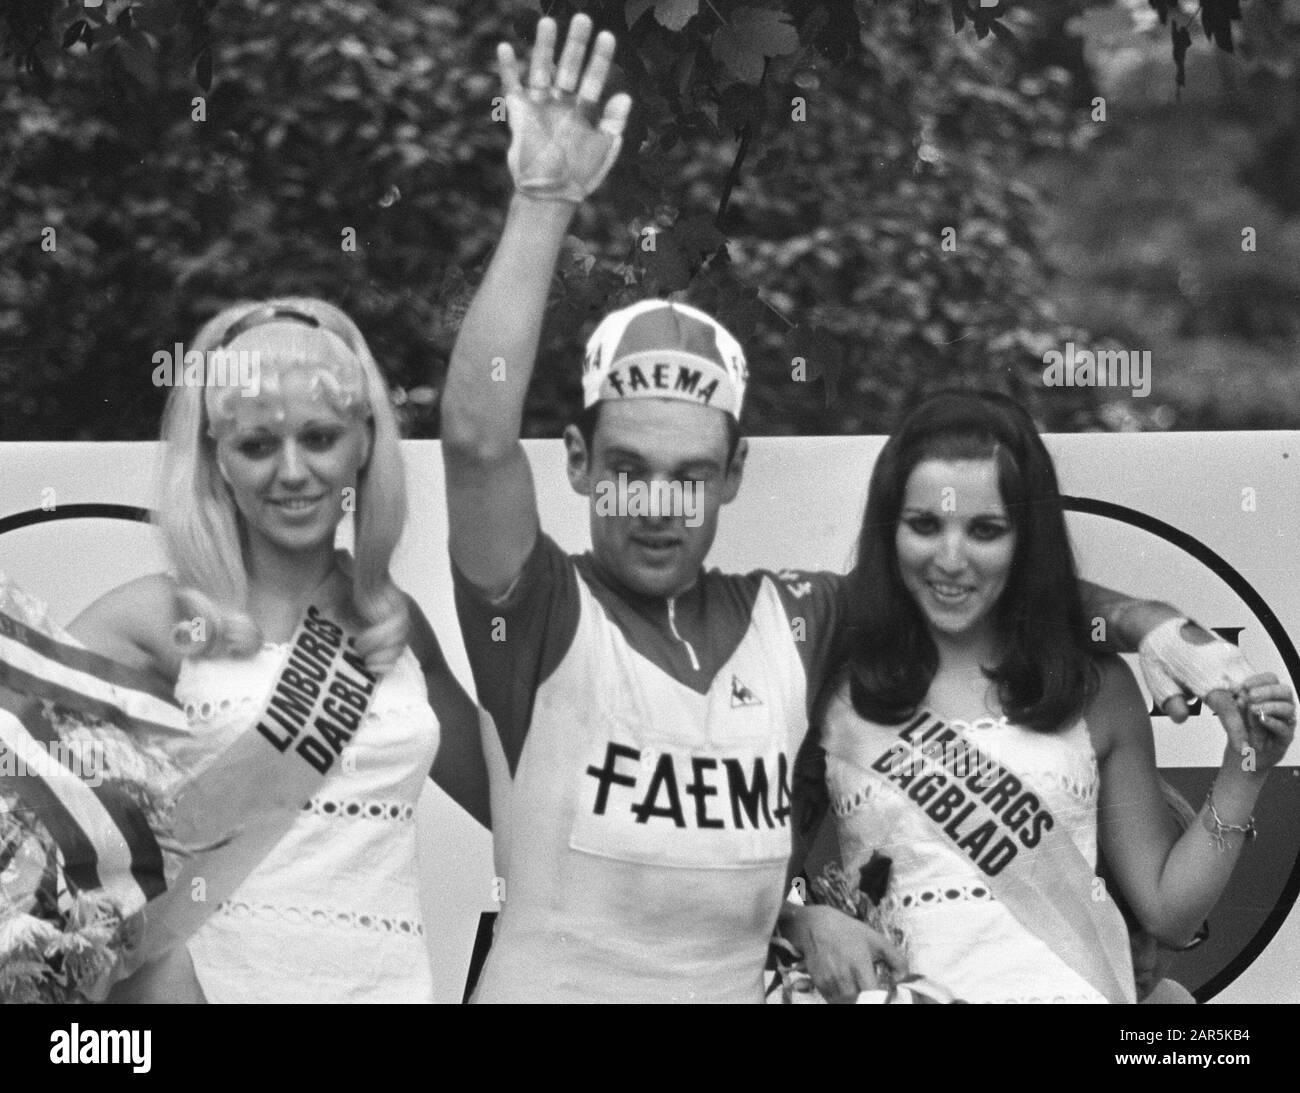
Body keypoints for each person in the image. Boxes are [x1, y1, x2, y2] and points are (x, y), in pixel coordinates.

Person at [441, 14, 1270, 1003]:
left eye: (691, 472)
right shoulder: (574, 618)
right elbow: (479, 444)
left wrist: (1159, 636)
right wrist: (540, 204)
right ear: (575, 465)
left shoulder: (806, 622)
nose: (658, 503)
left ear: (734, 473)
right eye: (628, 467)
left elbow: (998, 589)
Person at [799, 390, 1294, 1004]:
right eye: (925, 525)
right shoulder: (831, 684)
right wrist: (805, 922)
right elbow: (745, 889)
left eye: (985, 530)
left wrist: (1244, 771)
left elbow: (1168, 913)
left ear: (1025, 539)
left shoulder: (1095, 683)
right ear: (888, 529)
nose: (950, 559)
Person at [68, 297, 487, 1002]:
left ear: (365, 442)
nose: (292, 472)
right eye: (258, 445)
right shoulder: (152, 618)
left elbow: (528, 812)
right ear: (216, 459)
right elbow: (23, 813)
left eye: (320, 437)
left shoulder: (395, 624)